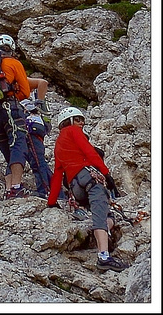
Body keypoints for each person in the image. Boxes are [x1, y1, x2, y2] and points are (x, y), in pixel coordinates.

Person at [47, 108, 130, 273]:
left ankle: (102, 235)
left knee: (107, 215)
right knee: (101, 213)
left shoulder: (58, 144)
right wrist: (107, 174)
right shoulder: (73, 131)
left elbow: (57, 173)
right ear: (69, 121)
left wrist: (51, 201)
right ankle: (104, 256)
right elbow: (89, 152)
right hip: (89, 178)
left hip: (75, 187)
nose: (81, 122)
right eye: (78, 119)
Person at [0, 34, 33, 199]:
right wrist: (11, 94)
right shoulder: (13, 63)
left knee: (7, 151)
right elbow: (25, 91)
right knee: (18, 145)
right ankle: (16, 187)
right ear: (11, 50)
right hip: (8, 108)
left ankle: (8, 189)